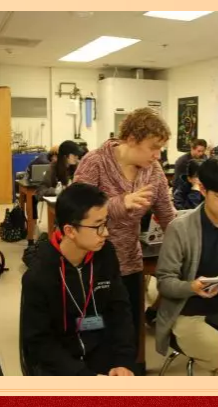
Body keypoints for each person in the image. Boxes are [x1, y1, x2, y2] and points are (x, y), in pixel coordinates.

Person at [73, 107, 176, 374]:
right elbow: (75, 210)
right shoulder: (95, 162)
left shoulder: (153, 171)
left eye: (161, 149)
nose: (158, 155)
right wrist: (120, 203)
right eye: (153, 147)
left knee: (127, 329)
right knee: (94, 329)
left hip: (129, 262)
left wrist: (189, 240)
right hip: (92, 264)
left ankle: (128, 374)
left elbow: (167, 215)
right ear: (131, 139)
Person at [21, 183, 136, 376]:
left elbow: (120, 311)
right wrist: (85, 377)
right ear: (70, 231)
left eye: (105, 223)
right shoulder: (40, 275)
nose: (105, 233)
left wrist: (123, 361)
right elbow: (40, 342)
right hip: (61, 365)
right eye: (97, 226)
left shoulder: (105, 254)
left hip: (102, 354)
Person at [155, 157, 218, 375]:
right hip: (190, 314)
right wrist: (191, 287)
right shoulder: (180, 228)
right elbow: (164, 283)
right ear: (202, 189)